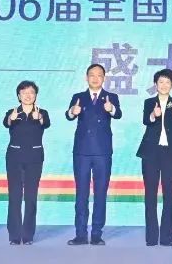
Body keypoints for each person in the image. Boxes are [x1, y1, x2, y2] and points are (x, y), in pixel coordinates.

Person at [65, 63, 122, 245]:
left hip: (102, 152)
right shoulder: (78, 97)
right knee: (81, 194)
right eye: (92, 75)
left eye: (99, 75)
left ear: (104, 78)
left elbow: (118, 114)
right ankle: (80, 234)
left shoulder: (111, 97)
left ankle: (97, 234)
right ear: (86, 77)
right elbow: (68, 115)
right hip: (82, 152)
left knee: (100, 193)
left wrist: (111, 109)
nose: (95, 78)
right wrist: (72, 112)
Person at [137, 68, 172, 246]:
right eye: (161, 82)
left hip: (171, 153)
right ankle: (151, 237)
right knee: (150, 195)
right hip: (150, 153)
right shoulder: (149, 102)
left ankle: (166, 237)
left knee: (169, 194)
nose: (164, 85)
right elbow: (146, 120)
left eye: (167, 82)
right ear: (155, 84)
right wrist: (154, 115)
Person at [3, 80, 51, 245]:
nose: (28, 95)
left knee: (31, 197)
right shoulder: (12, 112)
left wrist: (40, 118)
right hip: (14, 158)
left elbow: (47, 123)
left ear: (35, 95)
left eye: (31, 92)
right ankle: (15, 236)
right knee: (14, 197)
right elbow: (6, 123)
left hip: (34, 159)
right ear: (19, 96)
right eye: (24, 93)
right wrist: (11, 118)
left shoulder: (42, 112)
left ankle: (28, 235)